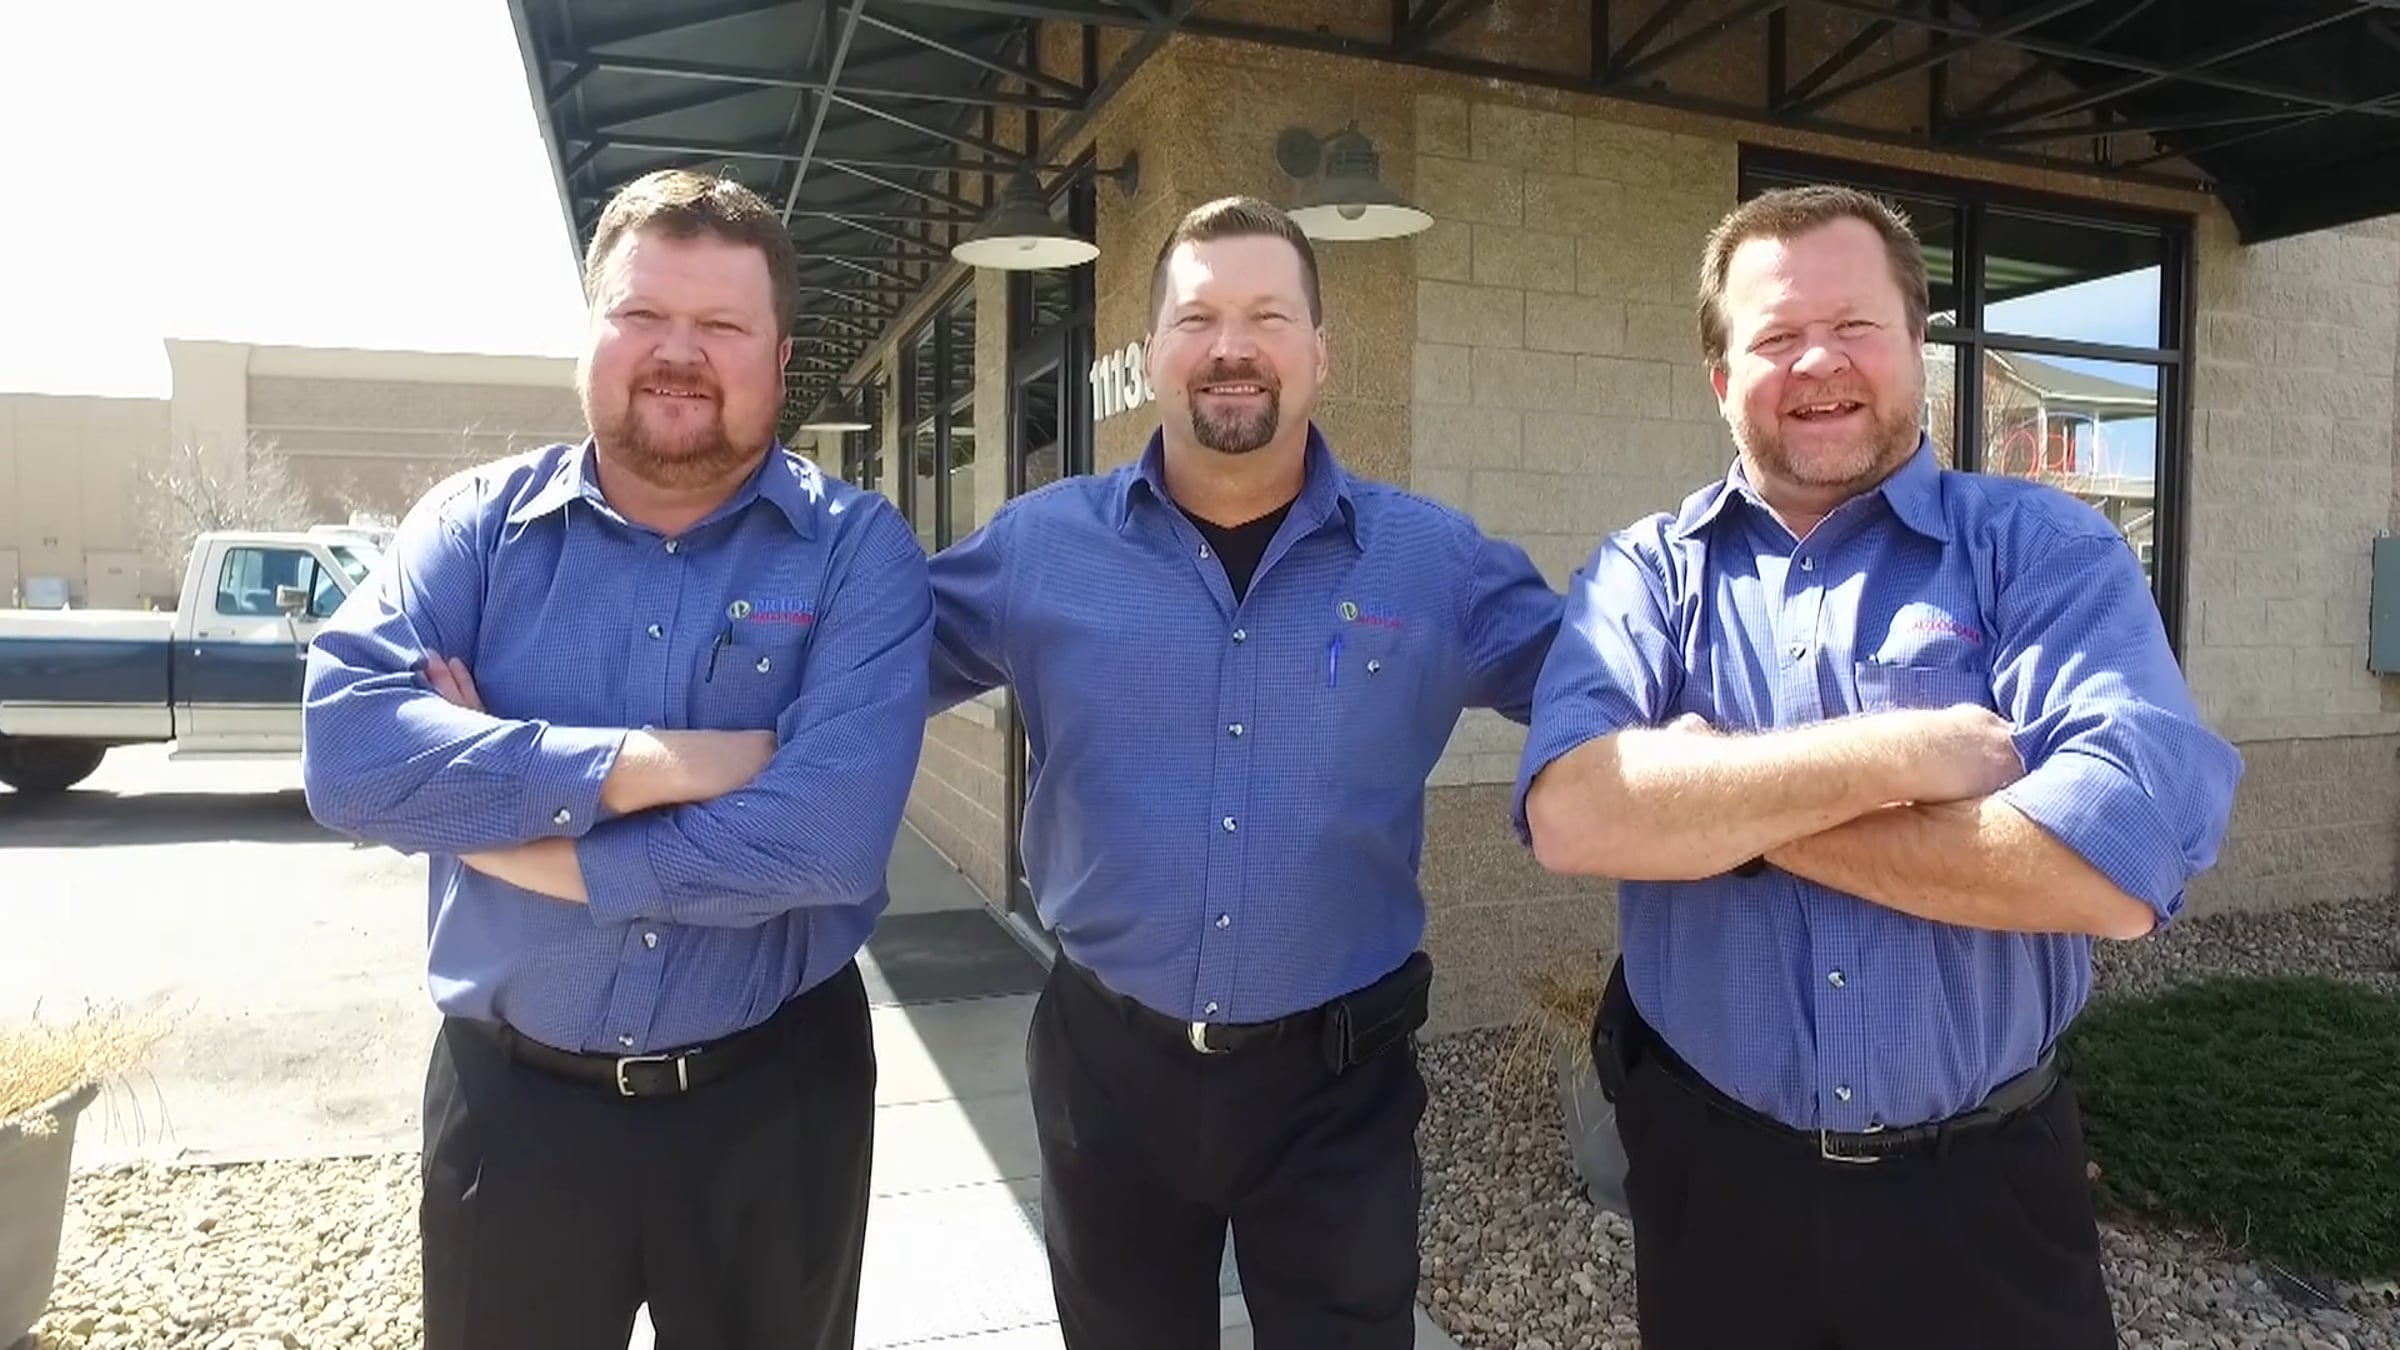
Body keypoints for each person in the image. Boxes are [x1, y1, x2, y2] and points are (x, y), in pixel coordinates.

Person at [1514, 182, 2242, 1350]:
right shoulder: (1648, 575)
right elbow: (1574, 816)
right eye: (1776, 338)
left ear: (1917, 347)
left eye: (1855, 325)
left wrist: (1719, 809)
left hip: (1986, 1197)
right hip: (1716, 1190)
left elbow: (2111, 870)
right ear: (1721, 379)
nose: (1819, 362)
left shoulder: (2040, 552)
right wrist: (1905, 755)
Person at [301, 168, 929, 1350]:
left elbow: (825, 839)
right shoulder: (473, 531)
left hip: (775, 1107)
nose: (677, 352)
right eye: (643, 314)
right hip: (513, 1112)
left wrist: (511, 829)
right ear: (590, 332)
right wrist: (657, 763)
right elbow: (349, 757)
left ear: (782, 359)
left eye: (721, 325)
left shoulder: (856, 553)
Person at [927, 196, 1562, 1349]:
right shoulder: (1039, 548)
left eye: (1268, 316)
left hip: (1338, 1090)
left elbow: (1610, 688)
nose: (1232, 346)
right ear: (1150, 353)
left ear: (1320, 352)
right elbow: (851, 668)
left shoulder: (1435, 564)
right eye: (1198, 317)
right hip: (1107, 1073)